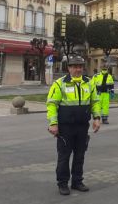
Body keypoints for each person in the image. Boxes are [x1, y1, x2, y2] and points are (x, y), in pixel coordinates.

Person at [46, 55, 101, 196]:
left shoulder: (89, 83)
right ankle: (63, 183)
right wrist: (53, 123)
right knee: (64, 156)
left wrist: (97, 118)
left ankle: (77, 181)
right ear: (69, 68)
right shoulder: (60, 83)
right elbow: (52, 104)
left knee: (80, 155)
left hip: (82, 126)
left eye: (80, 67)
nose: (78, 69)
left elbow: (95, 102)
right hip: (65, 127)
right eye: (75, 66)